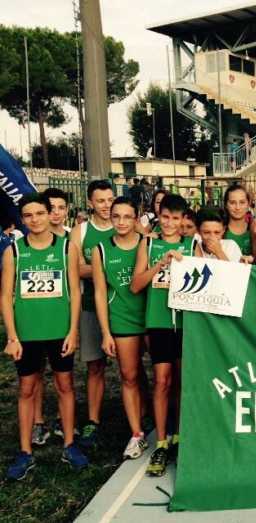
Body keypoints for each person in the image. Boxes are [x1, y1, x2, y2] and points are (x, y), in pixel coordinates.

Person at [3, 193, 88, 480]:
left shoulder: (66, 248)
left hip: (59, 331)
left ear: (48, 214)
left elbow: (75, 292)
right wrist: (12, 336)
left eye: (40, 213)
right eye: (28, 215)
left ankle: (69, 444)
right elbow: (5, 296)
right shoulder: (14, 251)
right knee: (27, 389)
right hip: (27, 334)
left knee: (65, 385)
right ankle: (25, 452)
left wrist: (73, 331)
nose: (35, 219)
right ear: (22, 219)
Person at [131, 194, 197, 477]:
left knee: (182, 382)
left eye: (175, 218)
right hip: (158, 322)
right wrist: (160, 265)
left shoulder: (192, 245)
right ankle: (161, 442)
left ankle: (180, 437)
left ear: (183, 220)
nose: (169, 223)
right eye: (165, 217)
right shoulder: (147, 244)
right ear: (159, 216)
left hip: (185, 324)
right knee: (162, 381)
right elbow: (135, 285)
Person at [92, 197, 148, 460]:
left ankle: (167, 423)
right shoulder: (101, 250)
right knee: (129, 376)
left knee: (165, 377)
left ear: (136, 218)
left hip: (153, 317)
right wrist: (106, 332)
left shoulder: (149, 242)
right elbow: (100, 293)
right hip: (122, 320)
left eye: (127, 216)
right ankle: (136, 434)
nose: (122, 222)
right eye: (117, 216)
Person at [70, 179, 115, 449]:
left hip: (123, 306)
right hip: (89, 305)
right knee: (95, 365)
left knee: (132, 367)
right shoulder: (82, 231)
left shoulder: (127, 223)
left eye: (110, 200)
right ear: (90, 203)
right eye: (101, 201)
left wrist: (94, 267)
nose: (107, 206)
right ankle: (93, 420)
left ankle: (143, 416)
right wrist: (110, 266)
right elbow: (75, 268)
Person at [31, 187, 72, 445]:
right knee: (34, 373)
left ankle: (61, 419)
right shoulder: (28, 240)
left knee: (64, 375)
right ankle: (37, 422)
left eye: (60, 207)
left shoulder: (71, 240)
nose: (55, 213)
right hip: (34, 319)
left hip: (63, 316)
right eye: (51, 208)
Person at [223, 184, 253, 257]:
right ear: (226, 205)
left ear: (248, 204)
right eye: (232, 203)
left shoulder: (255, 229)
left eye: (242, 202)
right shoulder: (218, 231)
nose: (237, 207)